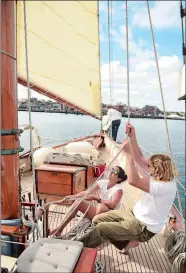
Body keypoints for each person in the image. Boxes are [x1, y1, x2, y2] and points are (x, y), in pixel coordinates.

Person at [78, 123, 177, 253]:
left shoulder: (163, 186)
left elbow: (133, 180)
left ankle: (75, 249)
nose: (148, 169)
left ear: (158, 170)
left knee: (101, 229)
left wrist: (128, 154)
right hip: (133, 213)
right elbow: (139, 157)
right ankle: (127, 242)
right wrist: (133, 136)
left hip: (143, 227)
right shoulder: (163, 175)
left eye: (151, 168)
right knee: (97, 219)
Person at [49, 166, 127, 237]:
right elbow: (87, 192)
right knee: (77, 203)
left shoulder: (118, 190)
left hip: (110, 218)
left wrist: (97, 199)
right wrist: (73, 196)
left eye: (115, 172)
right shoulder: (103, 182)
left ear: (119, 179)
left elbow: (113, 205)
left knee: (102, 207)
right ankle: (59, 230)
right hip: (99, 214)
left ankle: (92, 232)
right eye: (112, 169)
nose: (111, 172)